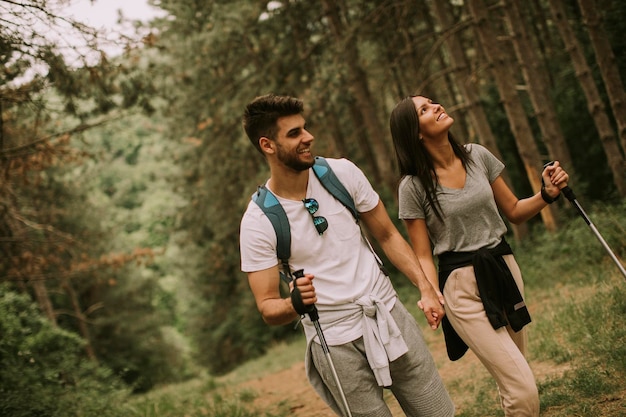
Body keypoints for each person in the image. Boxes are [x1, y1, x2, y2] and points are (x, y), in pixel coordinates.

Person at [239, 93, 455, 417]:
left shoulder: (341, 174)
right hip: (334, 341)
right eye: (294, 133)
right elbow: (268, 307)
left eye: (305, 128)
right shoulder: (258, 222)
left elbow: (387, 235)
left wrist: (425, 287)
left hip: (387, 312)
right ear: (268, 145)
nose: (308, 137)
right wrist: (294, 303)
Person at [389, 95, 570, 417]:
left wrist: (546, 195)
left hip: (504, 269)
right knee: (522, 385)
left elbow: (513, 211)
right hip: (460, 287)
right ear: (415, 132)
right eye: (425, 110)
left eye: (433, 102)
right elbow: (424, 255)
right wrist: (429, 294)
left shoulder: (477, 156)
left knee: (515, 373)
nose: (437, 107)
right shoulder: (413, 187)